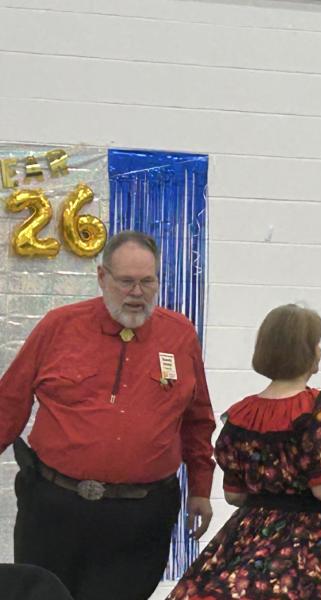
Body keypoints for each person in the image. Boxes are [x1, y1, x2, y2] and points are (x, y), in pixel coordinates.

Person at [0, 230, 216, 600]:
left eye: (148, 282)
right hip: (53, 511)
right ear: (102, 277)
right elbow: (9, 403)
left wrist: (200, 488)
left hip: (139, 519)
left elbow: (197, 419)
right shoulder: (58, 326)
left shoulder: (180, 335)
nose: (137, 292)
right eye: (127, 281)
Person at [168, 304, 321, 599]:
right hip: (309, 541)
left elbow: (234, 495)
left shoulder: (243, 413)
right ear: (305, 351)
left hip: (247, 534)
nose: (320, 351)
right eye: (316, 344)